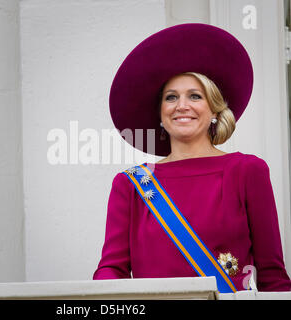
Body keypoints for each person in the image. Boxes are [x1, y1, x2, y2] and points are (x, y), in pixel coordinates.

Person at [93, 23, 291, 292]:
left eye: (195, 96)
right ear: (161, 114)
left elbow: (272, 275)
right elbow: (110, 270)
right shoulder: (130, 184)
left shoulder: (247, 171)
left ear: (214, 110)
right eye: (171, 97)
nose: (181, 106)